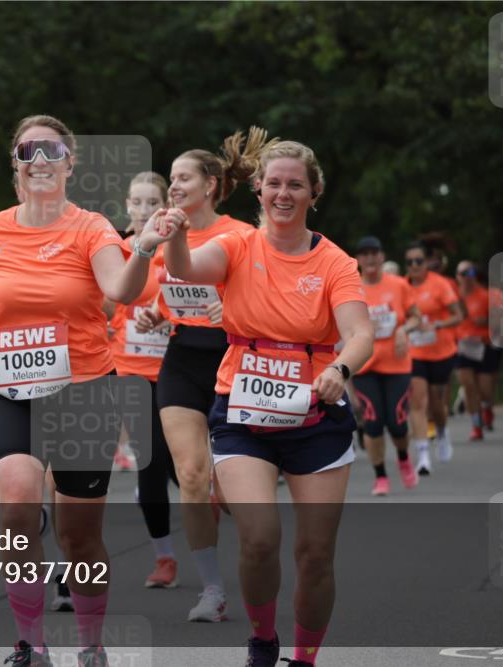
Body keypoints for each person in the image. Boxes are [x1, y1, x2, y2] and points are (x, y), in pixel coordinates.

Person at [0, 115, 182, 667]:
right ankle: (31, 645)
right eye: (28, 151)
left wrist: (143, 249)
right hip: (9, 391)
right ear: (15, 164)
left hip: (83, 392)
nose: (40, 160)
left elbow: (119, 289)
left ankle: (90, 644)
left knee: (79, 535)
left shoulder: (91, 228)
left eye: (52, 151)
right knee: (17, 503)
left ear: (70, 163)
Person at [161, 139, 373, 667]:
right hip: (243, 413)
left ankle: (304, 658)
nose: (283, 193)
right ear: (258, 189)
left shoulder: (335, 262)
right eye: (274, 183)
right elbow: (184, 269)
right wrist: (176, 234)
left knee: (315, 554)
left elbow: (360, 334)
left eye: (295, 184)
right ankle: (262, 639)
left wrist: (338, 369)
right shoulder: (237, 246)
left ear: (314, 193)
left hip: (316, 417)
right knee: (258, 538)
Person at [135, 128, 274, 622]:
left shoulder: (240, 235)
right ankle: (212, 591)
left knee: (235, 498)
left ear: (210, 185)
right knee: (191, 475)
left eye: (183, 177)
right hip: (181, 358)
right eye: (171, 178)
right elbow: (170, 290)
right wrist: (155, 313)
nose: (173, 185)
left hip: (231, 359)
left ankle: (249, 521)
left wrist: (230, 309)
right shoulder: (165, 230)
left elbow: (265, 296)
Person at [108, 171, 180, 588]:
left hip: (175, 370)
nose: (143, 210)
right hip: (130, 371)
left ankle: (205, 492)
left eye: (152, 202)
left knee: (181, 466)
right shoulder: (114, 250)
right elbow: (100, 306)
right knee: (150, 460)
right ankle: (164, 557)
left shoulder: (179, 252)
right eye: (136, 202)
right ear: (127, 205)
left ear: (164, 207)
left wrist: (170, 318)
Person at [352, 236, 421, 496]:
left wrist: (404, 329)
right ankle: (380, 475)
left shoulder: (399, 285)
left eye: (374, 253)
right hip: (365, 365)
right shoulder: (351, 288)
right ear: (358, 259)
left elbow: (417, 318)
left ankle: (403, 458)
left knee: (397, 423)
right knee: (372, 422)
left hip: (397, 365)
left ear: (382, 257)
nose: (370, 258)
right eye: (365, 254)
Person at [404, 242, 464, 475]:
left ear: (426, 263)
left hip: (441, 352)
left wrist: (437, 324)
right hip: (414, 354)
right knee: (418, 402)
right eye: (410, 262)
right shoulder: (402, 286)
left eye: (419, 261)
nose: (415, 265)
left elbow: (458, 315)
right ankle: (423, 456)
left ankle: (442, 433)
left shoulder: (439, 284)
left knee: (438, 405)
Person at [454, 260, 500, 441]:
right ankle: (476, 425)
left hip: (483, 345)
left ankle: (487, 407)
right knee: (469, 387)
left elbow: (499, 322)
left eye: (471, 273)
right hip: (462, 346)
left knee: (485, 390)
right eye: (463, 273)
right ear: (457, 277)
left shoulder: (485, 295)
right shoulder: (453, 297)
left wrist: (486, 322)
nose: (467, 277)